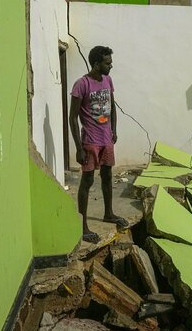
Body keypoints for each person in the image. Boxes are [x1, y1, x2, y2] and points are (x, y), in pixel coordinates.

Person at [69, 46, 128, 243]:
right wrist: (78, 147)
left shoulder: (108, 80)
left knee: (107, 176)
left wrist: (114, 130)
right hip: (90, 142)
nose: (111, 66)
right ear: (96, 64)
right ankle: (83, 225)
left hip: (106, 140)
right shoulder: (81, 84)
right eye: (107, 63)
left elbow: (112, 106)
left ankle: (108, 213)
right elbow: (72, 118)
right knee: (87, 181)